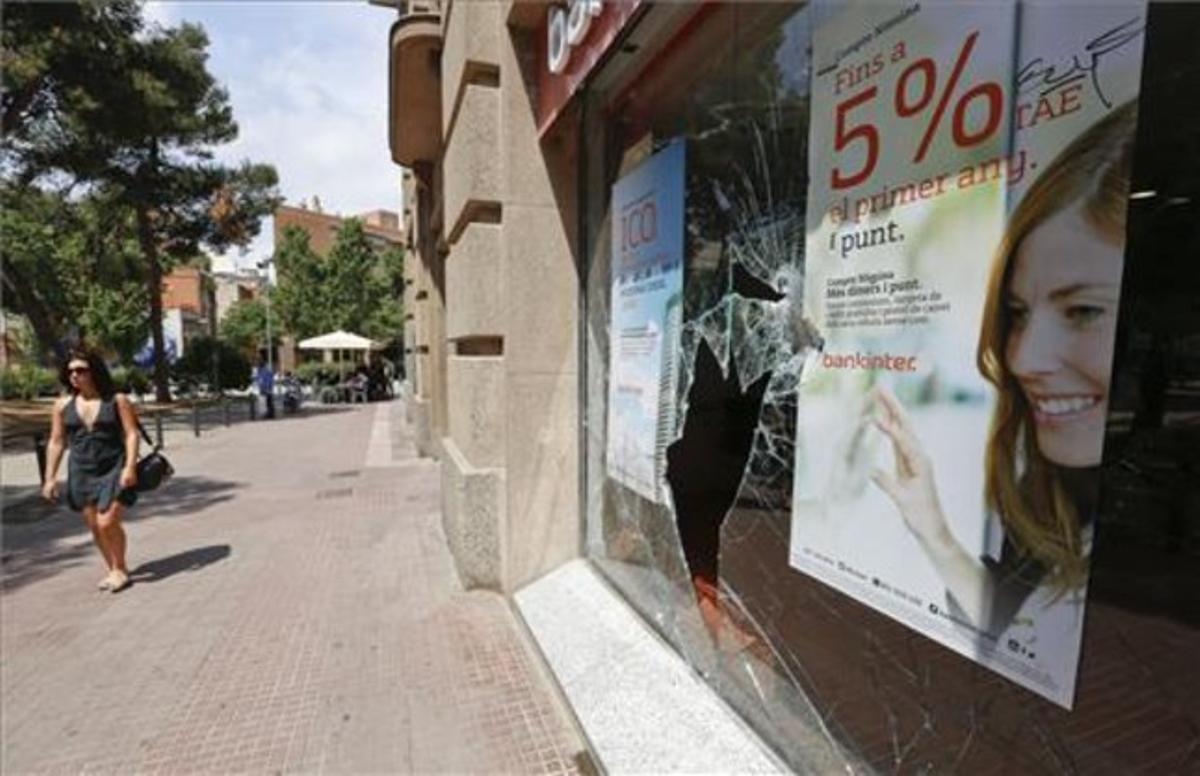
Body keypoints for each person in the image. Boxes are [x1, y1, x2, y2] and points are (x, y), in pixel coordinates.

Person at [870, 103, 1137, 634]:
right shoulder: (1057, 492)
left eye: (1082, 310)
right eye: (1017, 314)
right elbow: (999, 625)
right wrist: (934, 530)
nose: (1021, 358)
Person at [41, 346, 141, 593]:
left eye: (81, 370)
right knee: (95, 526)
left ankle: (121, 568)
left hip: (113, 466)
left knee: (107, 522)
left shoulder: (117, 400)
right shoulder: (62, 405)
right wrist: (49, 478)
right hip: (81, 471)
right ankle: (113, 569)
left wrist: (129, 466)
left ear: (94, 371)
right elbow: (56, 441)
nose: (75, 375)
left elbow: (131, 434)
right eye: (71, 371)